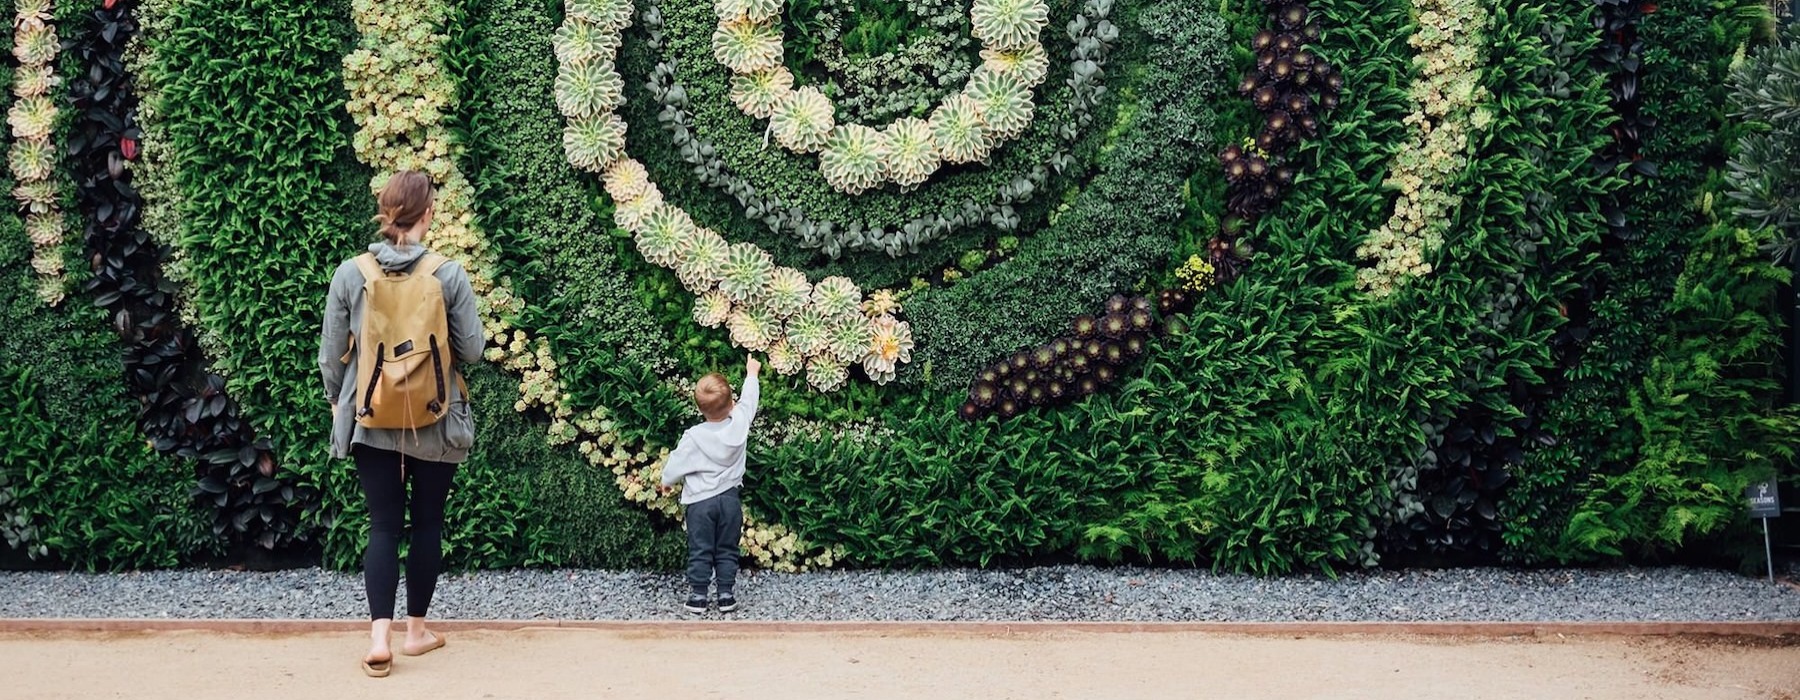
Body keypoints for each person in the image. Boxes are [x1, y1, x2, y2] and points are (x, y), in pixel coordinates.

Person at [319, 171, 483, 677]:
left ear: (385, 212)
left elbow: (330, 355)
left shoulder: (352, 273)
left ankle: (377, 640)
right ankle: (415, 633)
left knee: (384, 525)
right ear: (428, 213)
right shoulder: (448, 273)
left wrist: (337, 403)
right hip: (435, 418)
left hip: (370, 414)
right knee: (428, 522)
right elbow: (473, 350)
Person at [660, 354, 761, 614]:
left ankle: (698, 597)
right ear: (732, 402)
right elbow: (750, 402)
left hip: (699, 503)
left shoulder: (694, 436)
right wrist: (752, 373)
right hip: (729, 500)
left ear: (699, 408)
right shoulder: (739, 423)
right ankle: (726, 595)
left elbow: (676, 463)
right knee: (727, 548)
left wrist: (667, 482)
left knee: (701, 548)